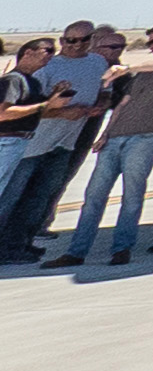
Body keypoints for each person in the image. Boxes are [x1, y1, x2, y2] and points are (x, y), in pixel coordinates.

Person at [50, 17, 153, 270]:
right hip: (115, 138)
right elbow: (123, 103)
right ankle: (76, 251)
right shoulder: (144, 72)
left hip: (145, 136)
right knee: (94, 195)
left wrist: (128, 67)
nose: (152, 46)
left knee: (132, 195)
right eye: (149, 42)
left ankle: (122, 248)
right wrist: (106, 133)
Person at [0, 30, 88, 259]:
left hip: (20, 141)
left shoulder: (31, 82)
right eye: (47, 50)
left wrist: (53, 97)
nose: (50, 55)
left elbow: (36, 110)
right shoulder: (13, 80)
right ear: (28, 53)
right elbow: (4, 113)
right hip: (8, 141)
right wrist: (45, 105)